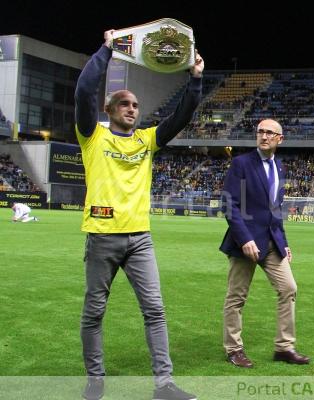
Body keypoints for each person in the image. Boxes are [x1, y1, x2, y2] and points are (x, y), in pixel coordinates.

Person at [75, 29, 203, 400]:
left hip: (139, 238)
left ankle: (163, 385)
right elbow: (84, 92)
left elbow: (181, 117)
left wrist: (194, 80)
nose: (133, 108)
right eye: (125, 104)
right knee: (94, 312)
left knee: (155, 310)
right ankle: (95, 381)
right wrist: (107, 50)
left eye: (135, 105)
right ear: (110, 110)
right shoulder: (92, 136)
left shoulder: (147, 139)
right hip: (102, 236)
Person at [220, 118, 310, 368]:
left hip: (272, 243)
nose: (264, 136)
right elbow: (229, 204)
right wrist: (245, 238)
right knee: (236, 297)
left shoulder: (279, 167)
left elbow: (275, 210)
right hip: (244, 243)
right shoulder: (241, 163)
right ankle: (233, 349)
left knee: (288, 288)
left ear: (280, 139)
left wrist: (284, 241)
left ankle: (284, 347)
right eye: (260, 131)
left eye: (270, 133)